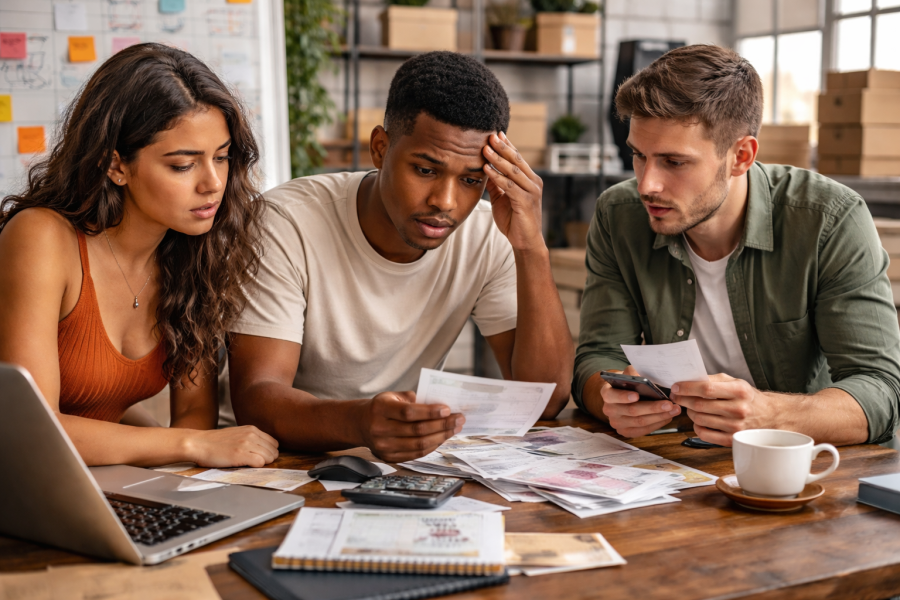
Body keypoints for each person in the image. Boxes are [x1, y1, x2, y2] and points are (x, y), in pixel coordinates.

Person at [228, 51, 573, 463]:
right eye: (425, 170)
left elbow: (545, 400)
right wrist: (359, 423)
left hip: (394, 466)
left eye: (470, 180)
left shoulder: (490, 233)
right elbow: (256, 397)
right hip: (271, 461)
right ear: (380, 148)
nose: (445, 202)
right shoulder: (286, 222)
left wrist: (531, 247)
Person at [574, 44, 900, 446]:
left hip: (799, 469)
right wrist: (610, 399)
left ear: (740, 156)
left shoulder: (829, 219)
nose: (647, 185)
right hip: (674, 461)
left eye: (674, 162)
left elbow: (882, 390)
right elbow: (595, 358)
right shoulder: (618, 214)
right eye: (639, 156)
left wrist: (770, 414)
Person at [0, 43, 279, 467]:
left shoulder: (195, 252)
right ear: (116, 166)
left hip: (94, 485)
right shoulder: (42, 238)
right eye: (183, 165)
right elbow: (31, 429)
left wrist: (184, 446)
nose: (213, 183)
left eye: (221, 158)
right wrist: (186, 446)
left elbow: (192, 418)